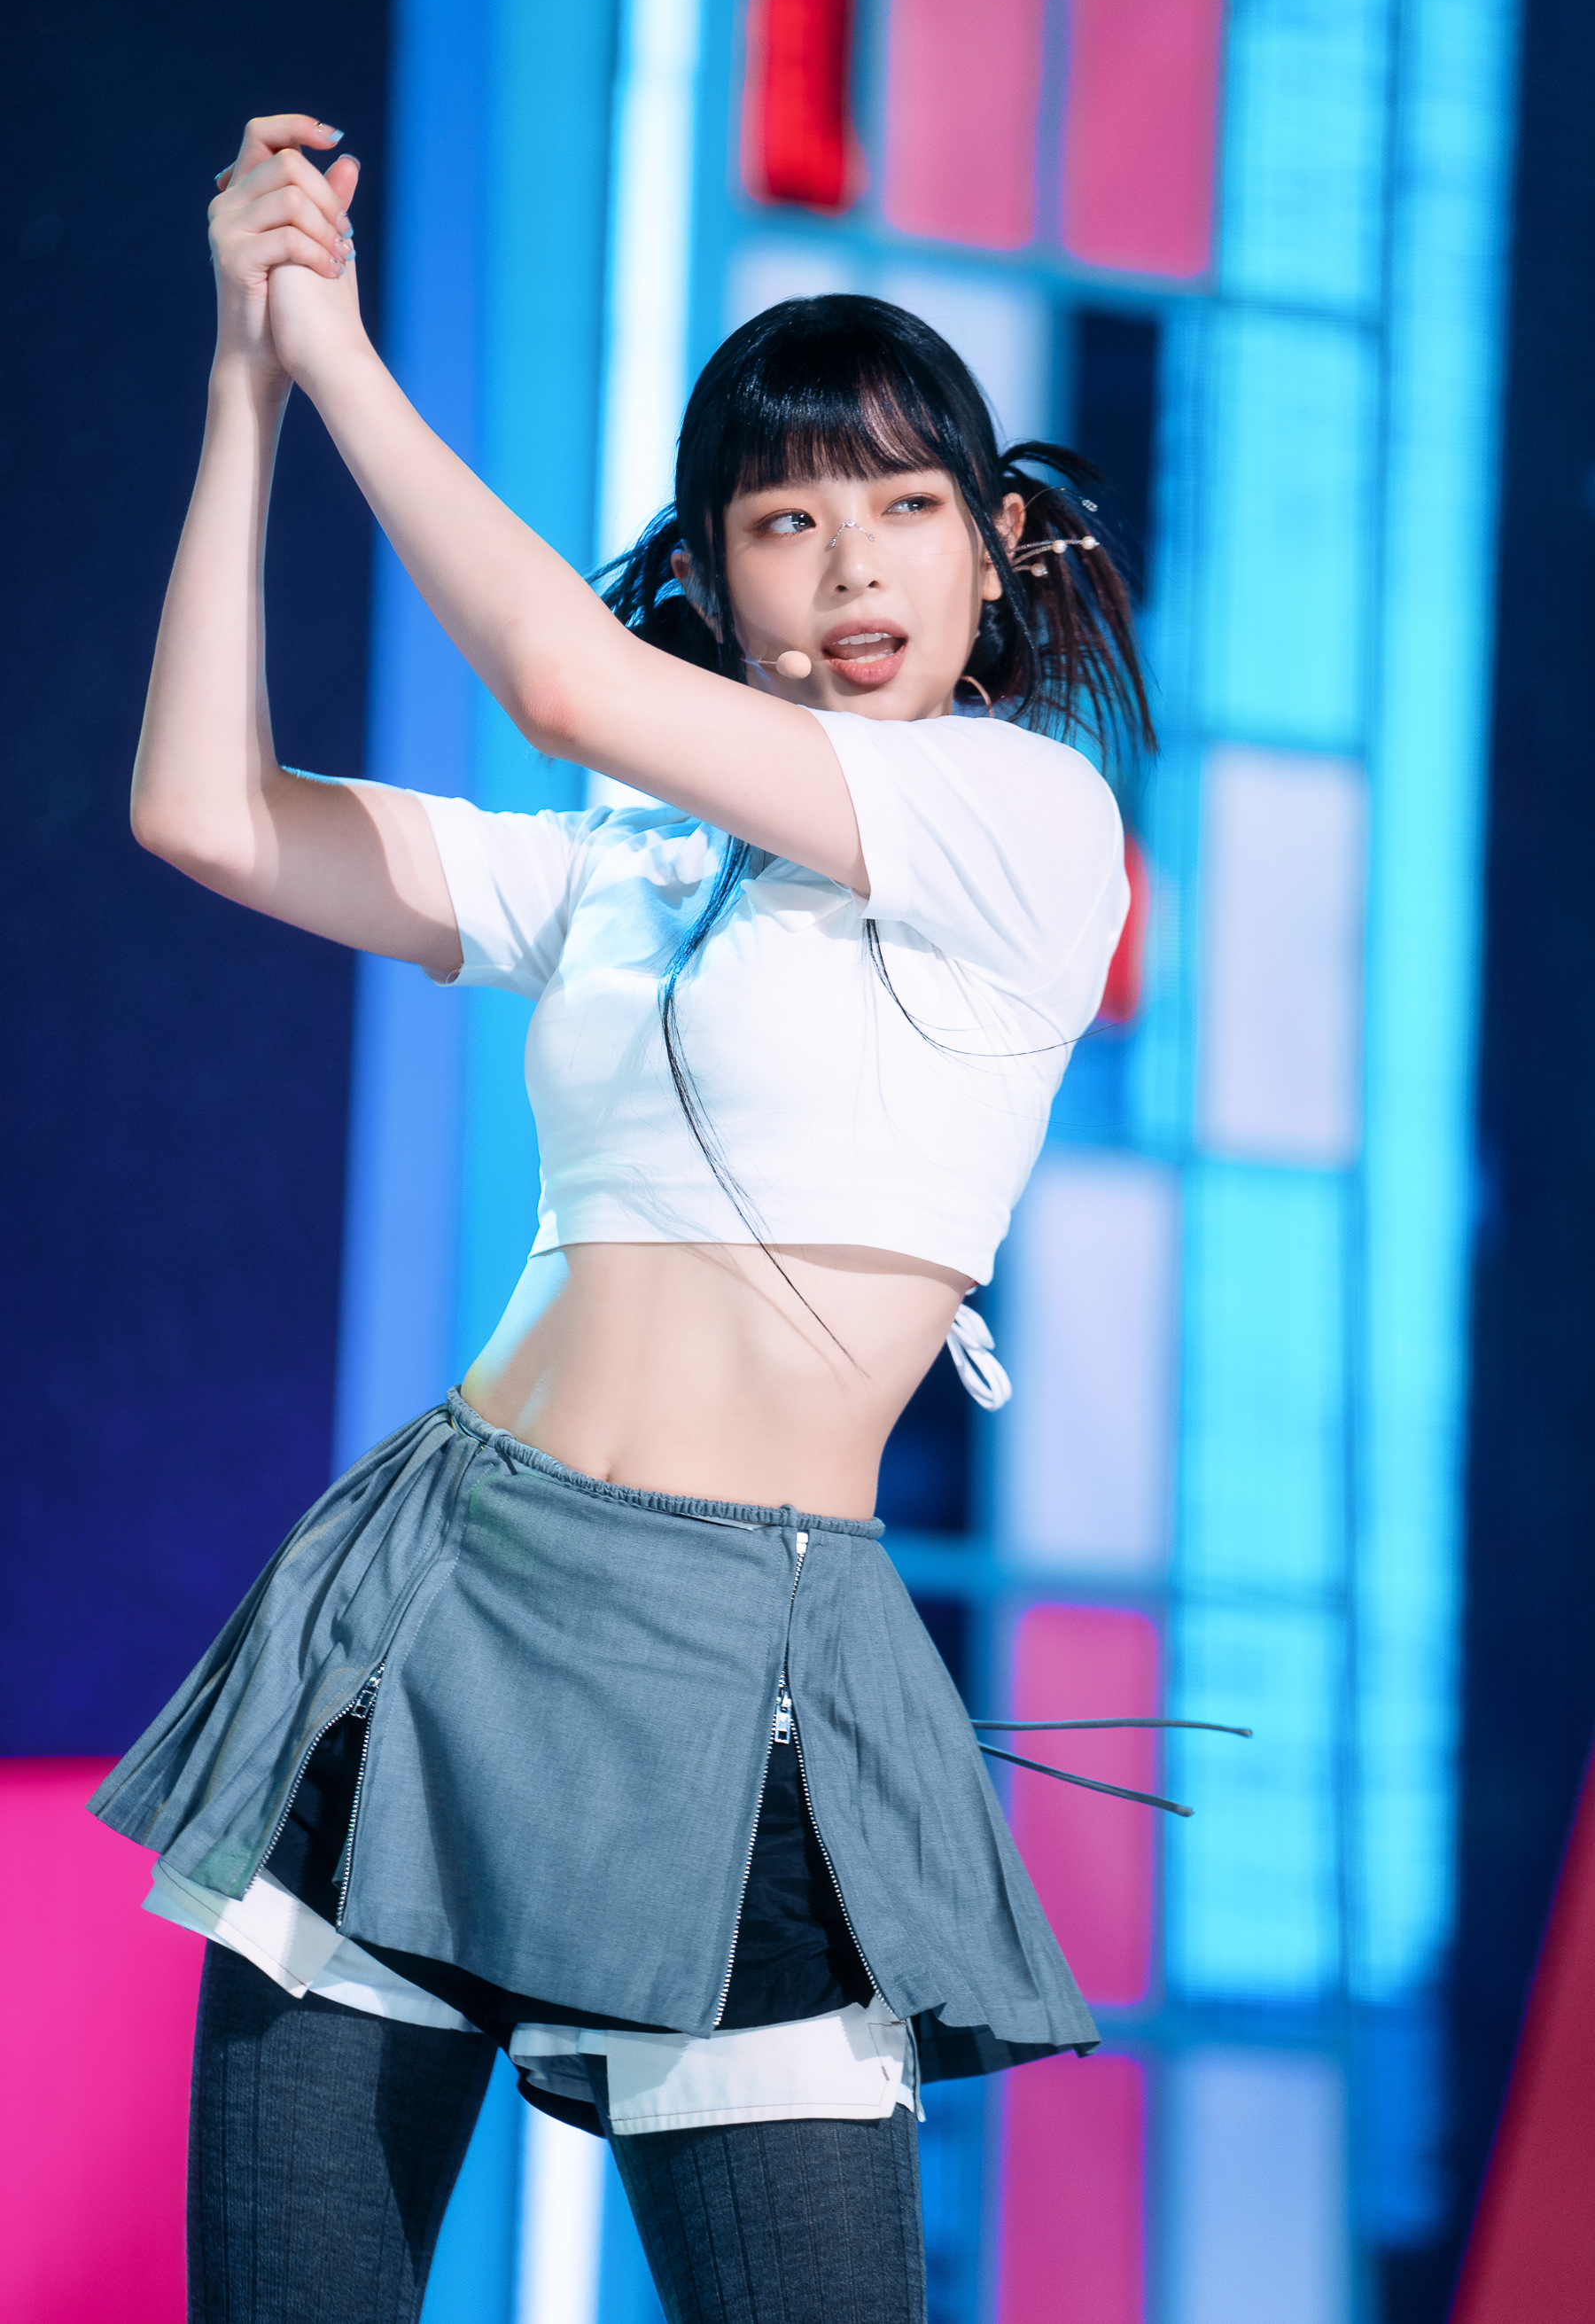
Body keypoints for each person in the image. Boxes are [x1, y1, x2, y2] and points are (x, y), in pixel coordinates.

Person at [92, 113, 1155, 2324]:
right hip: (436, 1605)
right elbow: (202, 810)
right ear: (718, 576)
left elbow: (565, 682)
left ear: (995, 555)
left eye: (906, 507)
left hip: (740, 1661)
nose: (850, 568)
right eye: (786, 519)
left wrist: (340, 344)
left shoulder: (1025, 821)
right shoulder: (625, 873)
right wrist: (247, 382)